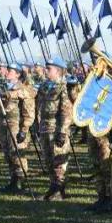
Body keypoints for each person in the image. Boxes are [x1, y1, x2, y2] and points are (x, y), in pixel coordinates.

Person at [37, 57, 73, 201]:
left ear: (58, 71)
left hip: (56, 128)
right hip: (45, 127)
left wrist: (63, 131)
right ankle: (52, 187)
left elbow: (66, 111)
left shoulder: (63, 87)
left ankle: (59, 189)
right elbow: (39, 105)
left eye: (49, 68)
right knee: (48, 159)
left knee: (59, 160)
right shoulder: (45, 86)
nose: (46, 71)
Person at [0, 62, 35, 194]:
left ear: (18, 74)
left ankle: (20, 180)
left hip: (16, 126)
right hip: (4, 124)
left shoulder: (24, 88)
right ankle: (13, 179)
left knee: (17, 154)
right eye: (7, 70)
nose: (7, 72)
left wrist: (24, 130)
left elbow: (29, 112)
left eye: (10, 71)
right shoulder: (4, 87)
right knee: (8, 153)